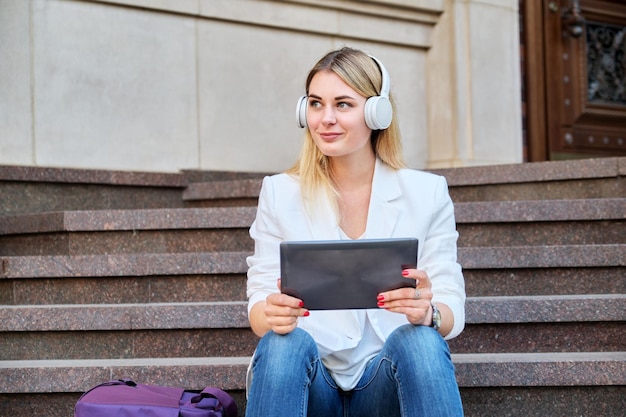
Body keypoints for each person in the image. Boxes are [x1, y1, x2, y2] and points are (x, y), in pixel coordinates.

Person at [245, 46, 465, 417]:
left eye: (343, 104)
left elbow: (451, 305)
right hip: (312, 383)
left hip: (383, 384)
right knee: (284, 344)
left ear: (378, 113)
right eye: (315, 104)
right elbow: (258, 303)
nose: (325, 119)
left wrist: (428, 313)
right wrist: (273, 314)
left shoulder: (426, 193)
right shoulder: (280, 193)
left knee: (421, 342)